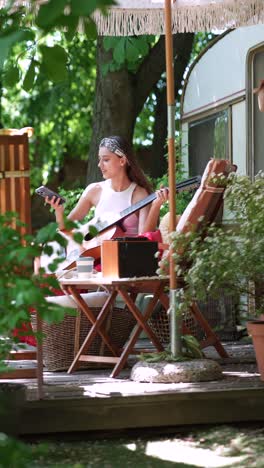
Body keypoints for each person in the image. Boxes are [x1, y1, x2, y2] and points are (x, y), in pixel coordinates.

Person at [46, 136, 169, 256]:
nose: (99, 165)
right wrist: (58, 211)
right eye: (99, 159)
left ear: (122, 161)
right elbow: (65, 230)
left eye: (105, 159)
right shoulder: (94, 190)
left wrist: (156, 206)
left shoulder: (139, 194)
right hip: (97, 259)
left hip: (126, 260)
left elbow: (144, 239)